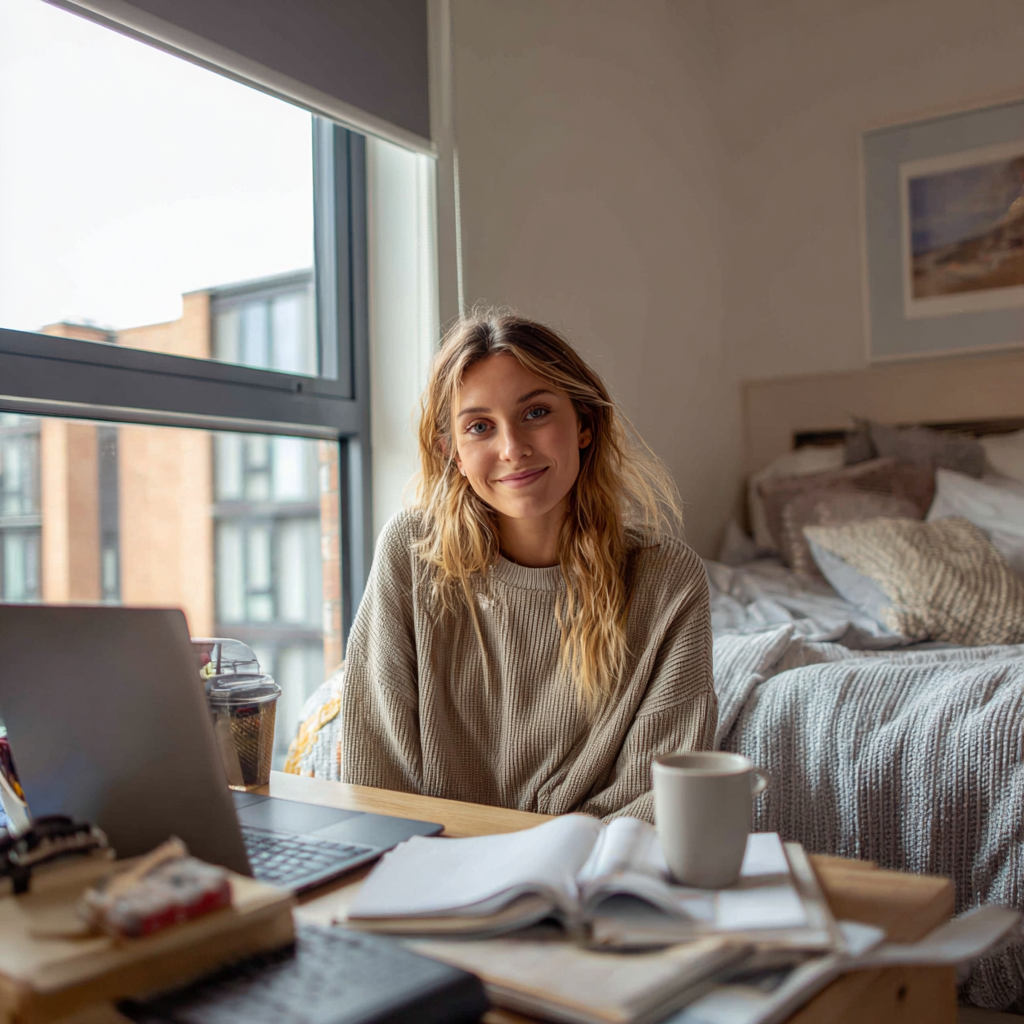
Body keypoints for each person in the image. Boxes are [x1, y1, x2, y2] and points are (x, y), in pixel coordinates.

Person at [298, 312, 716, 821]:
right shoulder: (409, 551)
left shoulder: (669, 578)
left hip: (595, 861)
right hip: (432, 857)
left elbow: (657, 794)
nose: (513, 449)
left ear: (584, 424)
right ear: (452, 451)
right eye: (479, 427)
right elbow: (378, 778)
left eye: (536, 413)